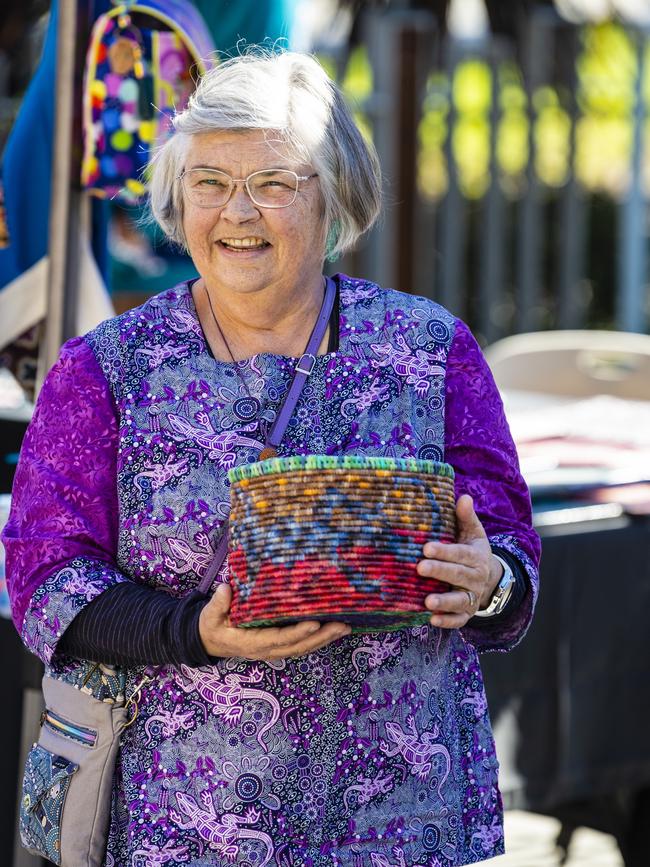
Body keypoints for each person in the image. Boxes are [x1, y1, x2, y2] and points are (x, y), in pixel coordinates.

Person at [3, 49, 540, 867]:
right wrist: (194, 630)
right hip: (184, 818)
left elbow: (509, 554)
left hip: (399, 822)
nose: (236, 211)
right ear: (178, 200)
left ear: (335, 199)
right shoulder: (106, 369)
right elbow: (44, 577)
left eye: (275, 183)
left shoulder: (429, 349)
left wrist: (488, 580)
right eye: (209, 181)